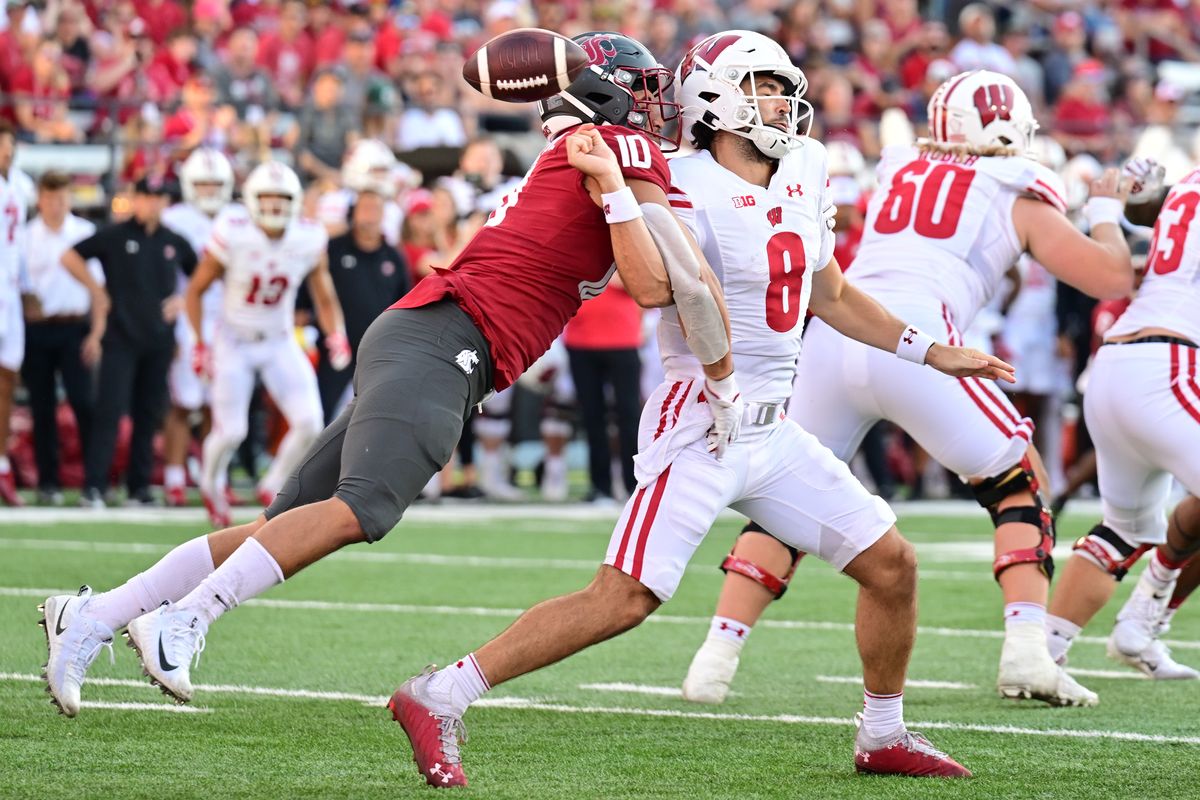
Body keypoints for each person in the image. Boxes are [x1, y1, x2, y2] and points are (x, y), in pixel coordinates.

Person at [36, 33, 722, 730]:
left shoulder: (584, 145)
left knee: (281, 525)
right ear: (607, 90)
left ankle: (94, 616)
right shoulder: (619, 147)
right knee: (364, 508)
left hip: (428, 334)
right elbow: (651, 283)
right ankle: (183, 619)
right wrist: (629, 202)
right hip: (451, 342)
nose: (654, 103)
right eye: (641, 86)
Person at [390, 33, 1021, 785]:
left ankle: (882, 733)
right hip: (700, 417)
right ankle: (441, 692)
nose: (779, 101)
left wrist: (928, 350)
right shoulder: (676, 176)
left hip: (771, 424)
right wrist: (618, 190)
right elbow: (658, 284)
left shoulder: (809, 165)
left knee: (892, 565)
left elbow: (834, 295)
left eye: (780, 86)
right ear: (713, 98)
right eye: (759, 86)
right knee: (624, 597)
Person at [681, 69, 1135, 710]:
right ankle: (1029, 652)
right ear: (1009, 127)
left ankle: (716, 657)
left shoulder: (902, 170)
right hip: (914, 342)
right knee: (1017, 480)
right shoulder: (1015, 188)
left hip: (837, 337)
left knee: (785, 496)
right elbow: (1110, 278)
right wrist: (1109, 213)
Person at [1042, 158, 1200, 685]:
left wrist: (1122, 199)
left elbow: (1148, 204)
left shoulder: (1189, 186)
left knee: (1125, 527)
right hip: (1168, 363)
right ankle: (1145, 614)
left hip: (1119, 365)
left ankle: (1042, 653)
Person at [184, 161, 349, 526]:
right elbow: (195, 290)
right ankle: (211, 485)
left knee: (310, 421)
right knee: (232, 432)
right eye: (267, 197)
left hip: (278, 338)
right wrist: (199, 343)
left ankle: (273, 483)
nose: (274, 206)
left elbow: (323, 295)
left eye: (282, 198)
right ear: (251, 199)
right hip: (233, 340)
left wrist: (336, 332)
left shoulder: (307, 235)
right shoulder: (234, 231)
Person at [61, 177, 197, 507]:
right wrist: (96, 290)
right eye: (146, 196)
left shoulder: (174, 241)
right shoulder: (116, 235)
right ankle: (95, 486)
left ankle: (139, 487)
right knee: (109, 412)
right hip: (120, 338)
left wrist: (182, 301)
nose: (151, 203)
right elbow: (70, 256)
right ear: (135, 199)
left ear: (165, 202)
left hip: (159, 340)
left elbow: (200, 278)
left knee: (147, 415)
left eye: (158, 197)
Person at [160, 148, 236, 507]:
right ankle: (174, 477)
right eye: (202, 183)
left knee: (219, 406)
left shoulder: (240, 217)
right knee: (184, 401)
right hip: (190, 317)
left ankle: (213, 477)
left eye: (215, 183)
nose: (208, 190)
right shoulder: (174, 219)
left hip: (230, 319)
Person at [19, 171, 99, 505]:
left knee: (83, 402)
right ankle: (48, 481)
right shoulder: (24, 236)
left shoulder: (85, 233)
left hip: (74, 326)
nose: (55, 205)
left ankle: (93, 481)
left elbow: (99, 288)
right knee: (42, 405)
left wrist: (96, 333)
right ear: (40, 199)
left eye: (62, 197)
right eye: (50, 198)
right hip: (37, 328)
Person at [311, 186, 410, 423]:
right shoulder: (333, 248)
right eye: (364, 207)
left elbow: (405, 302)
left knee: (376, 414)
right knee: (322, 409)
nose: (369, 213)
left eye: (375, 208)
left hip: (379, 349)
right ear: (353, 213)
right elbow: (315, 287)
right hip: (337, 344)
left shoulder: (393, 257)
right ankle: (316, 459)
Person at [0, 122, 26, 505]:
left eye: (9, 146)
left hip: (10, 293)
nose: (6, 153)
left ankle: (2, 464)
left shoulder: (19, 185)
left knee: (7, 379)